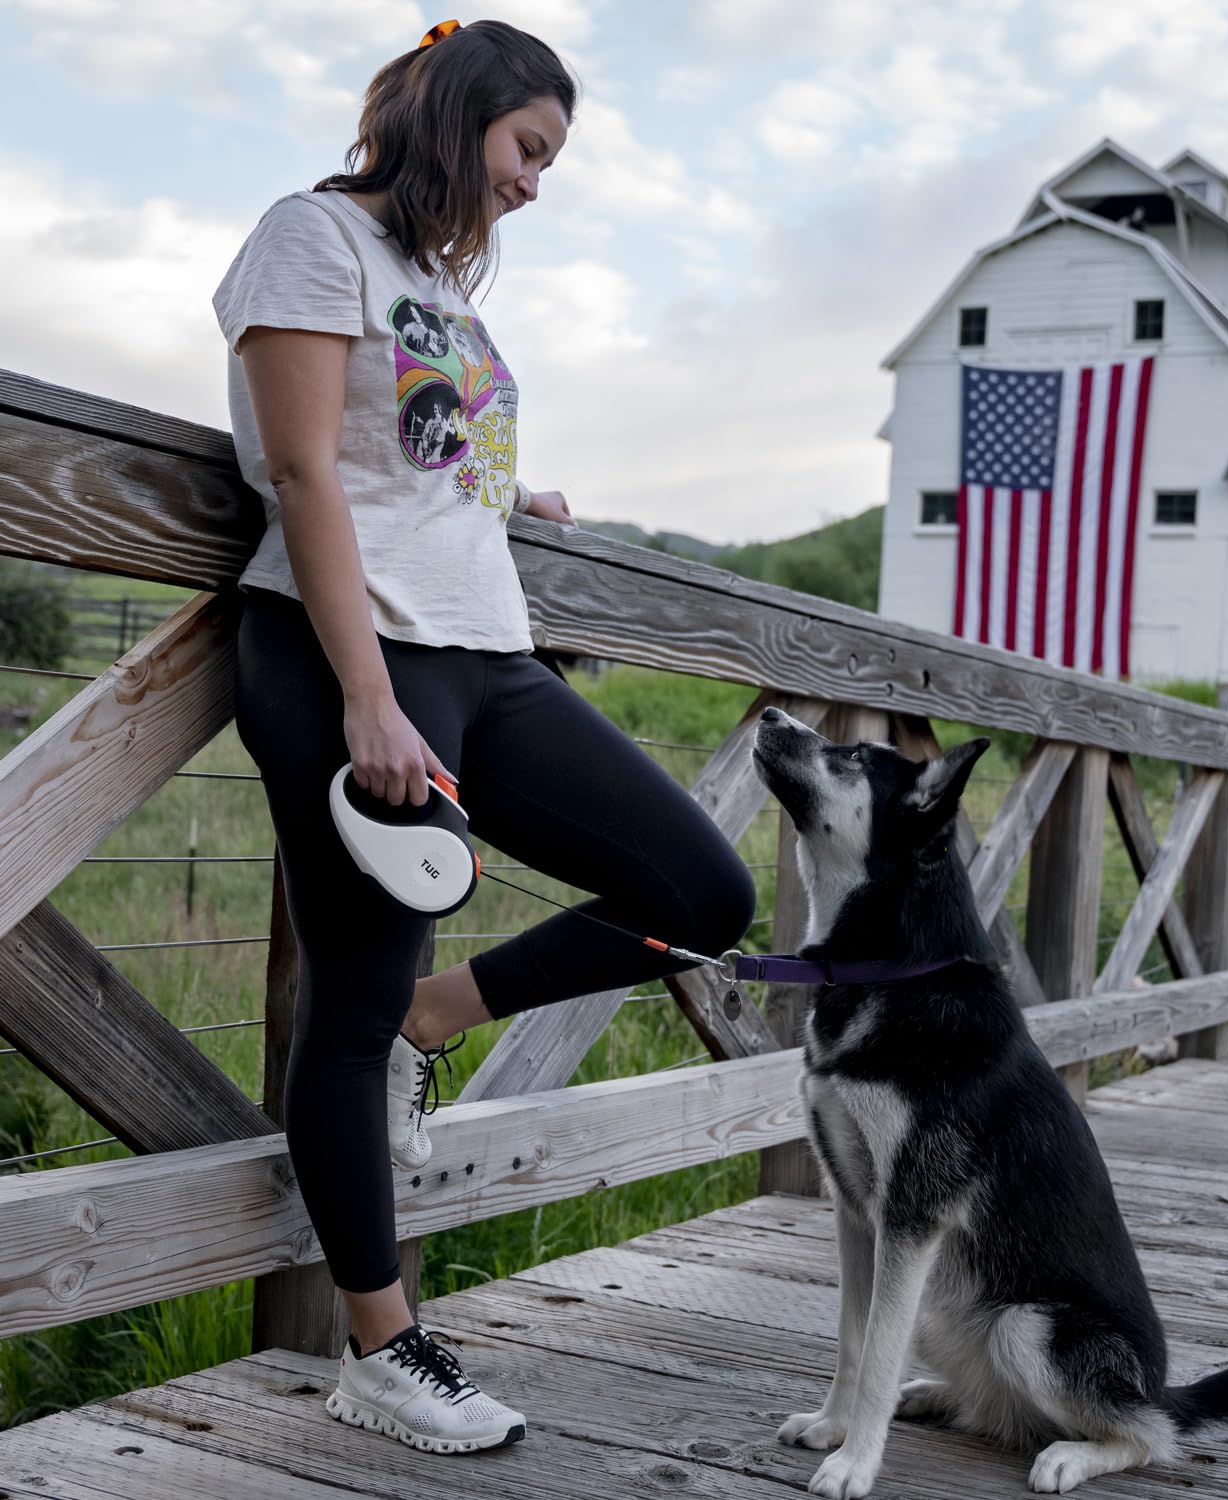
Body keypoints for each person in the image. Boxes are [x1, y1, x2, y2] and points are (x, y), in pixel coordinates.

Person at [212, 17, 756, 1456]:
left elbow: (416, 467)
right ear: (458, 120)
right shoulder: (310, 238)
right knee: (347, 999)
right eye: (529, 150)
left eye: (549, 161)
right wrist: (366, 698)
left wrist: (516, 505)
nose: (534, 185)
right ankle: (380, 1349)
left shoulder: (433, 284)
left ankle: (435, 1020)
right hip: (354, 661)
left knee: (703, 893)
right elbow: (305, 471)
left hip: (484, 651)